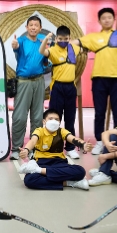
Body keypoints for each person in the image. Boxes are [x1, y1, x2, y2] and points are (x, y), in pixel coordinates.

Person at [71, 8, 117, 154]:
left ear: (113, 19)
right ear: (99, 21)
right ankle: (100, 142)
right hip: (99, 79)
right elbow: (74, 42)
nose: (107, 20)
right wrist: (58, 42)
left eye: (109, 17)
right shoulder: (93, 37)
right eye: (104, 18)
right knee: (99, 113)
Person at [18, 109, 93, 191]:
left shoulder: (62, 131)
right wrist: (26, 150)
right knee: (29, 180)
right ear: (44, 121)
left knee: (80, 171)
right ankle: (69, 183)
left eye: (56, 119)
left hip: (59, 162)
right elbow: (32, 141)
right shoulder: (39, 131)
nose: (53, 121)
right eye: (50, 119)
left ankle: (38, 170)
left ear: (59, 122)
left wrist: (83, 144)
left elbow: (73, 138)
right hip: (41, 162)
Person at [40, 25, 82, 159]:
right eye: (60, 39)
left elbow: (82, 46)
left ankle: (70, 148)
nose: (63, 41)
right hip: (57, 88)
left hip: (71, 88)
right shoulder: (53, 50)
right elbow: (42, 51)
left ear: (69, 38)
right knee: (54, 119)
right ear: (56, 39)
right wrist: (46, 39)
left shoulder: (73, 48)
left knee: (70, 119)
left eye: (66, 39)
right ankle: (54, 147)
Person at [9, 16, 48, 160]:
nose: (33, 27)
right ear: (26, 27)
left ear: (40, 28)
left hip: (39, 81)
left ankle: (33, 148)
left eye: (36, 25)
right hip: (23, 82)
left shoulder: (42, 42)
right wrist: (15, 46)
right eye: (30, 25)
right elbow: (15, 47)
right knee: (19, 117)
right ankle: (16, 149)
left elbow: (46, 62)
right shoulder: (21, 41)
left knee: (37, 117)